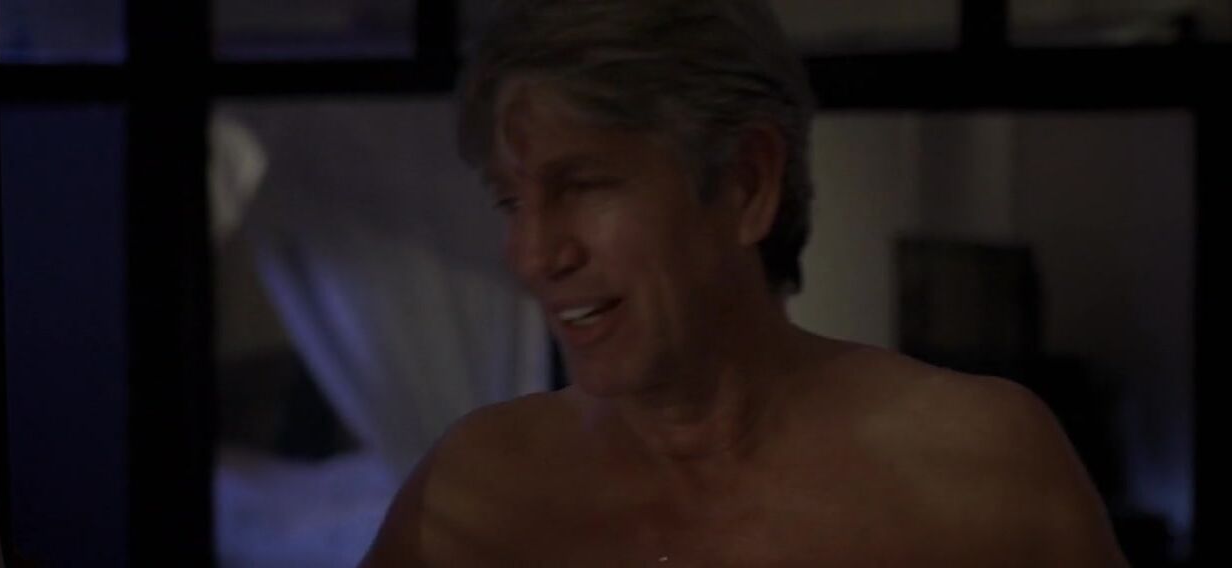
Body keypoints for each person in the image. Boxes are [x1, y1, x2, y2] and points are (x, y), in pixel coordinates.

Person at [360, 0, 1128, 565]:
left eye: (583, 184)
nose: (533, 255)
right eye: (510, 202)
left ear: (747, 183)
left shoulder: (981, 470)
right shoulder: (469, 500)